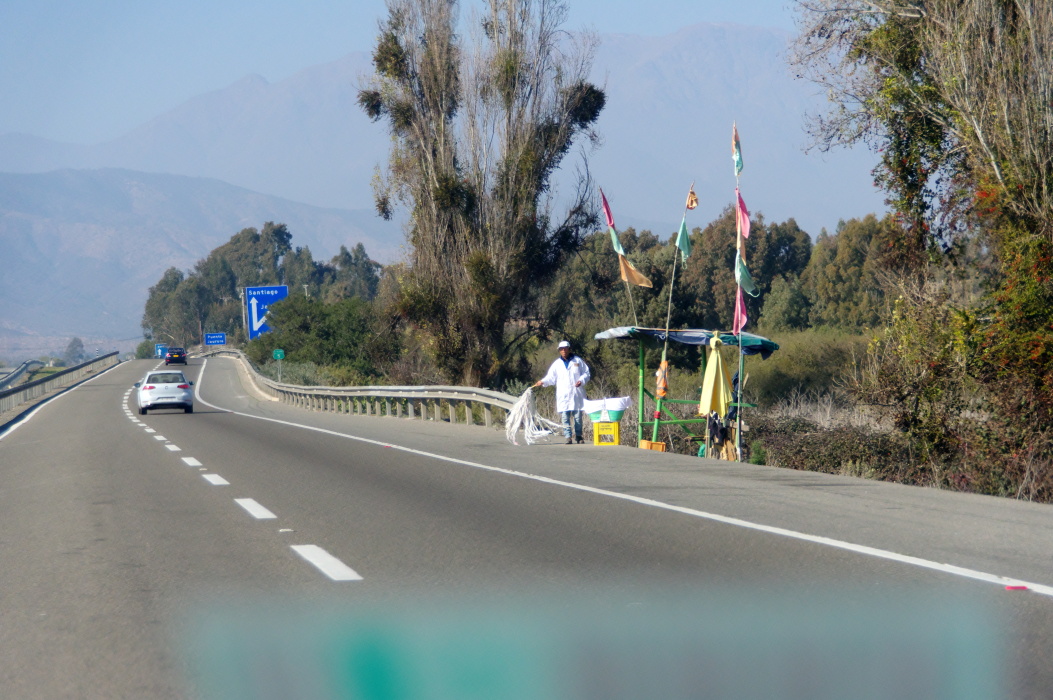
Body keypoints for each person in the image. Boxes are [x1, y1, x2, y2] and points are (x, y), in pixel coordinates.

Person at [534, 340, 591, 444]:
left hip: (576, 393)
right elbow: (551, 377)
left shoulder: (577, 361)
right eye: (561, 349)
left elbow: (586, 373)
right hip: (563, 393)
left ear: (569, 349)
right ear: (559, 351)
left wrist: (581, 380)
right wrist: (542, 381)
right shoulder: (557, 364)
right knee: (565, 416)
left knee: (578, 417)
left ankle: (578, 436)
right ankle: (568, 436)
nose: (563, 351)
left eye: (565, 348)